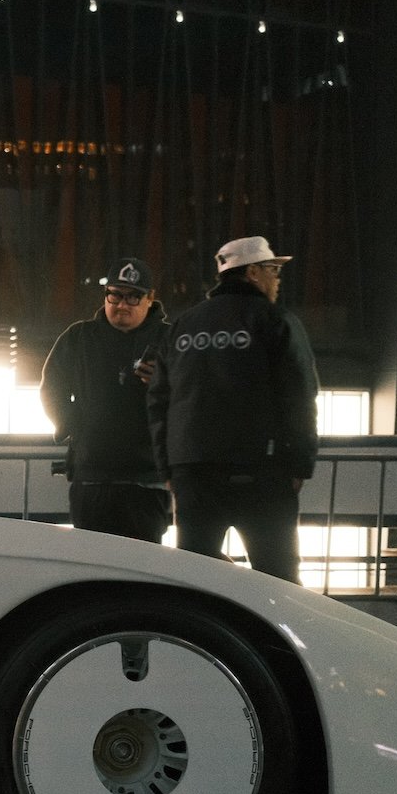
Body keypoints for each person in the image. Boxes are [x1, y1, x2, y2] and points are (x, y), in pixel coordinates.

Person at [146, 235, 319, 581]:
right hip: (262, 472)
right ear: (252, 272)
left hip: (193, 473)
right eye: (273, 270)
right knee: (278, 576)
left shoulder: (183, 326)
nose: (277, 279)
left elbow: (159, 399)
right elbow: (299, 394)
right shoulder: (274, 320)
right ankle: (272, 636)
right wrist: (300, 462)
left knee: (197, 577)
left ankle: (199, 635)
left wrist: (168, 468)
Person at [42, 258, 171, 542]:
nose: (122, 304)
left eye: (133, 296)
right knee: (92, 564)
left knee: (142, 568)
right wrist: (72, 424)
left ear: (150, 299)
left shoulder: (169, 340)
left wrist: (163, 383)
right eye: (115, 295)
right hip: (92, 475)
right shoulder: (79, 337)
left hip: (147, 478)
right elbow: (52, 387)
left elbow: (190, 396)